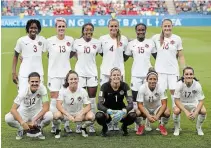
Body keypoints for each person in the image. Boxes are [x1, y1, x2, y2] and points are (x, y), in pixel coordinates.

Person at [151, 19, 186, 129]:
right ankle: (161, 123)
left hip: (173, 72)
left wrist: (184, 70)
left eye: (169, 26)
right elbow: (148, 48)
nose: (167, 28)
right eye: (165, 26)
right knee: (160, 98)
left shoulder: (177, 39)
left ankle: (177, 125)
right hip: (160, 72)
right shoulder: (155, 38)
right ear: (161, 26)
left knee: (175, 98)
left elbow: (180, 56)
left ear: (172, 26)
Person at [124, 23, 157, 131]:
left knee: (147, 100)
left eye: (143, 30)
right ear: (136, 31)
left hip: (147, 75)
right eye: (139, 30)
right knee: (135, 101)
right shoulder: (131, 44)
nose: (141, 31)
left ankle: (147, 122)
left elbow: (158, 57)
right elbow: (124, 58)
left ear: (145, 30)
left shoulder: (150, 43)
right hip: (135, 75)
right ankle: (138, 124)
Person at [99, 18, 128, 130]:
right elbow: (102, 53)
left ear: (118, 27)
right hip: (105, 72)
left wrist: (118, 64)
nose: (114, 28)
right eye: (111, 26)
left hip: (119, 73)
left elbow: (125, 54)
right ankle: (108, 121)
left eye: (116, 26)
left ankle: (116, 122)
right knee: (105, 99)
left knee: (119, 98)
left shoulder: (124, 39)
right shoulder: (103, 39)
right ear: (108, 27)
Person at [46, 17, 74, 134]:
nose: (61, 28)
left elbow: (73, 52)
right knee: (54, 100)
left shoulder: (71, 40)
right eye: (59, 26)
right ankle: (55, 124)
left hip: (66, 75)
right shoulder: (49, 41)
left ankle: (66, 124)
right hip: (53, 75)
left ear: (65, 27)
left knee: (66, 99)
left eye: (63, 26)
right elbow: (45, 53)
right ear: (56, 28)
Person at [5, 72, 53, 140]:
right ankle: (21, 129)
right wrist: (22, 123)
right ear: (28, 82)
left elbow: (46, 107)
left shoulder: (42, 89)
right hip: (24, 113)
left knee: (49, 115)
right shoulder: (23, 90)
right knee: (8, 118)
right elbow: (13, 109)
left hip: (36, 112)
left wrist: (34, 120)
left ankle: (39, 129)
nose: (34, 83)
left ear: (40, 81)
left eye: (36, 81)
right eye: (32, 81)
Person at [71, 23, 101, 133]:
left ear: (93, 31)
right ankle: (79, 124)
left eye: (90, 29)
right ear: (83, 31)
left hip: (92, 74)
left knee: (92, 101)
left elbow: (98, 54)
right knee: (80, 100)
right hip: (80, 74)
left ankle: (91, 124)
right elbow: (71, 54)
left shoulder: (97, 42)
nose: (88, 31)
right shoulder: (76, 42)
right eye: (86, 29)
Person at [53, 70, 95, 138]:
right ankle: (58, 129)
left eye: (75, 79)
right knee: (55, 115)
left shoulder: (83, 91)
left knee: (92, 116)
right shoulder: (63, 91)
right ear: (67, 80)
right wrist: (68, 115)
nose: (73, 81)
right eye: (71, 79)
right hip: (66, 114)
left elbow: (88, 106)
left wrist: (80, 114)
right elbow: (58, 105)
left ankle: (83, 128)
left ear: (78, 80)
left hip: (79, 113)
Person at [96, 68, 136, 137]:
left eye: (118, 75)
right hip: (108, 111)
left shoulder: (125, 86)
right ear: (110, 77)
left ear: (121, 76)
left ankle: (124, 126)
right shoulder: (104, 86)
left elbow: (131, 103)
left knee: (133, 115)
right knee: (99, 116)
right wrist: (107, 110)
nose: (116, 76)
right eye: (114, 75)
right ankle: (105, 127)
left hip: (120, 111)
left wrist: (124, 111)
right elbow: (99, 104)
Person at [12, 19, 46, 93]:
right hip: (24, 74)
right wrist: (14, 73)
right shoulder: (21, 40)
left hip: (39, 73)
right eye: (31, 28)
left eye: (35, 28)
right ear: (28, 28)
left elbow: (40, 52)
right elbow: (15, 56)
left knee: (39, 95)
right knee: (22, 95)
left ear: (38, 29)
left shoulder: (42, 40)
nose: (33, 30)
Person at [173, 67, 206, 136]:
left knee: (203, 111)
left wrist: (196, 112)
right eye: (187, 74)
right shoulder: (179, 84)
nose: (189, 76)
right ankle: (177, 128)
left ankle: (198, 128)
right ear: (183, 75)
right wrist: (186, 111)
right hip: (181, 103)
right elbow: (176, 100)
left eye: (191, 74)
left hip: (193, 102)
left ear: (193, 75)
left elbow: (201, 100)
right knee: (176, 111)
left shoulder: (197, 85)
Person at [136, 70, 170, 136]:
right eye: (150, 79)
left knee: (167, 112)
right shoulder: (142, 88)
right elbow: (139, 105)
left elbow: (164, 104)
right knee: (137, 111)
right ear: (147, 79)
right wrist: (148, 116)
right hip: (145, 108)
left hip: (157, 108)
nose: (152, 81)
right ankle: (141, 126)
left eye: (154, 79)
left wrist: (157, 116)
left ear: (157, 80)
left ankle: (162, 125)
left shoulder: (161, 87)